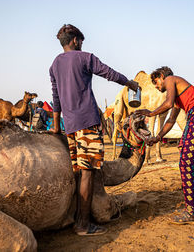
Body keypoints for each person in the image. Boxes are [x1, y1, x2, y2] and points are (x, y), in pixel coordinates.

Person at [49, 24, 139, 236]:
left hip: (69, 126)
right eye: (81, 41)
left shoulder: (54, 65)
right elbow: (108, 73)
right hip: (87, 122)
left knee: (79, 173)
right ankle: (83, 224)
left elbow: (55, 97)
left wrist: (55, 126)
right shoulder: (85, 57)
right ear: (75, 41)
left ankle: (78, 218)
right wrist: (130, 83)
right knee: (88, 173)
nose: (81, 45)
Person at [135, 66, 194, 225]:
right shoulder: (180, 98)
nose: (157, 86)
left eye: (156, 82)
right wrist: (157, 137)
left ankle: (190, 212)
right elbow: (171, 120)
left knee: (186, 164)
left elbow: (168, 103)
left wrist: (150, 113)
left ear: (161, 75)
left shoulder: (171, 79)